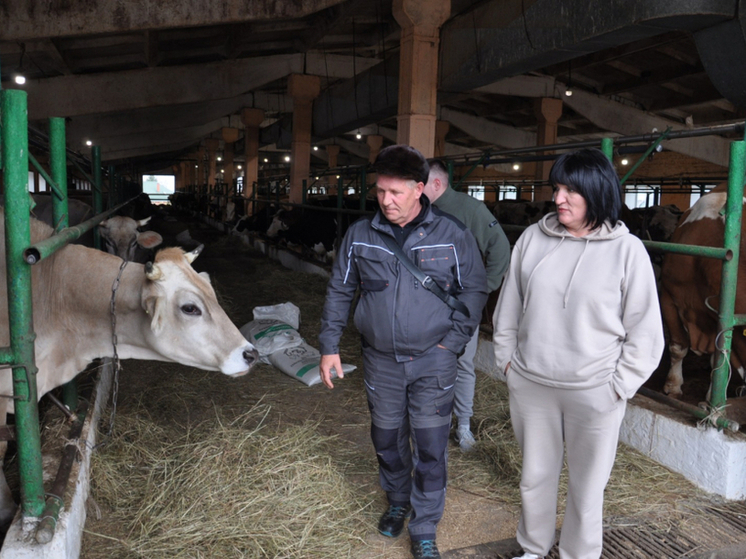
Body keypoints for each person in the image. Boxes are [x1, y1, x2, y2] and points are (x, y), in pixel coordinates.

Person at [492, 148, 664, 559]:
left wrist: (618, 386)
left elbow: (647, 332)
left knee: (588, 486)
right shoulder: (534, 239)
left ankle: (577, 554)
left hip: (595, 390)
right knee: (535, 476)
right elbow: (508, 306)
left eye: (571, 190)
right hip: (532, 384)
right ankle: (533, 548)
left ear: (598, 193)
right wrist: (508, 364)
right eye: (557, 188)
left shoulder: (628, 251)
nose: (558, 198)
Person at [319, 145, 488, 559]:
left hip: (434, 358)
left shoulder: (452, 234)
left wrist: (453, 344)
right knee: (386, 438)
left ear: (419, 189)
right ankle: (398, 500)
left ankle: (425, 524)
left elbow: (475, 290)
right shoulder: (361, 235)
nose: (386, 200)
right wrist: (328, 346)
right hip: (381, 360)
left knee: (430, 445)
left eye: (395, 192)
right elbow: (340, 289)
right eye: (380, 191)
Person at [424, 159, 510, 451]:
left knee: (462, 362)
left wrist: (484, 288)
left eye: (419, 184)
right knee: (425, 360)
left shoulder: (470, 209)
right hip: (425, 304)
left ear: (436, 183)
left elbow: (500, 246)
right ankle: (432, 420)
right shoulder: (417, 210)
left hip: (460, 305)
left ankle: (463, 425)